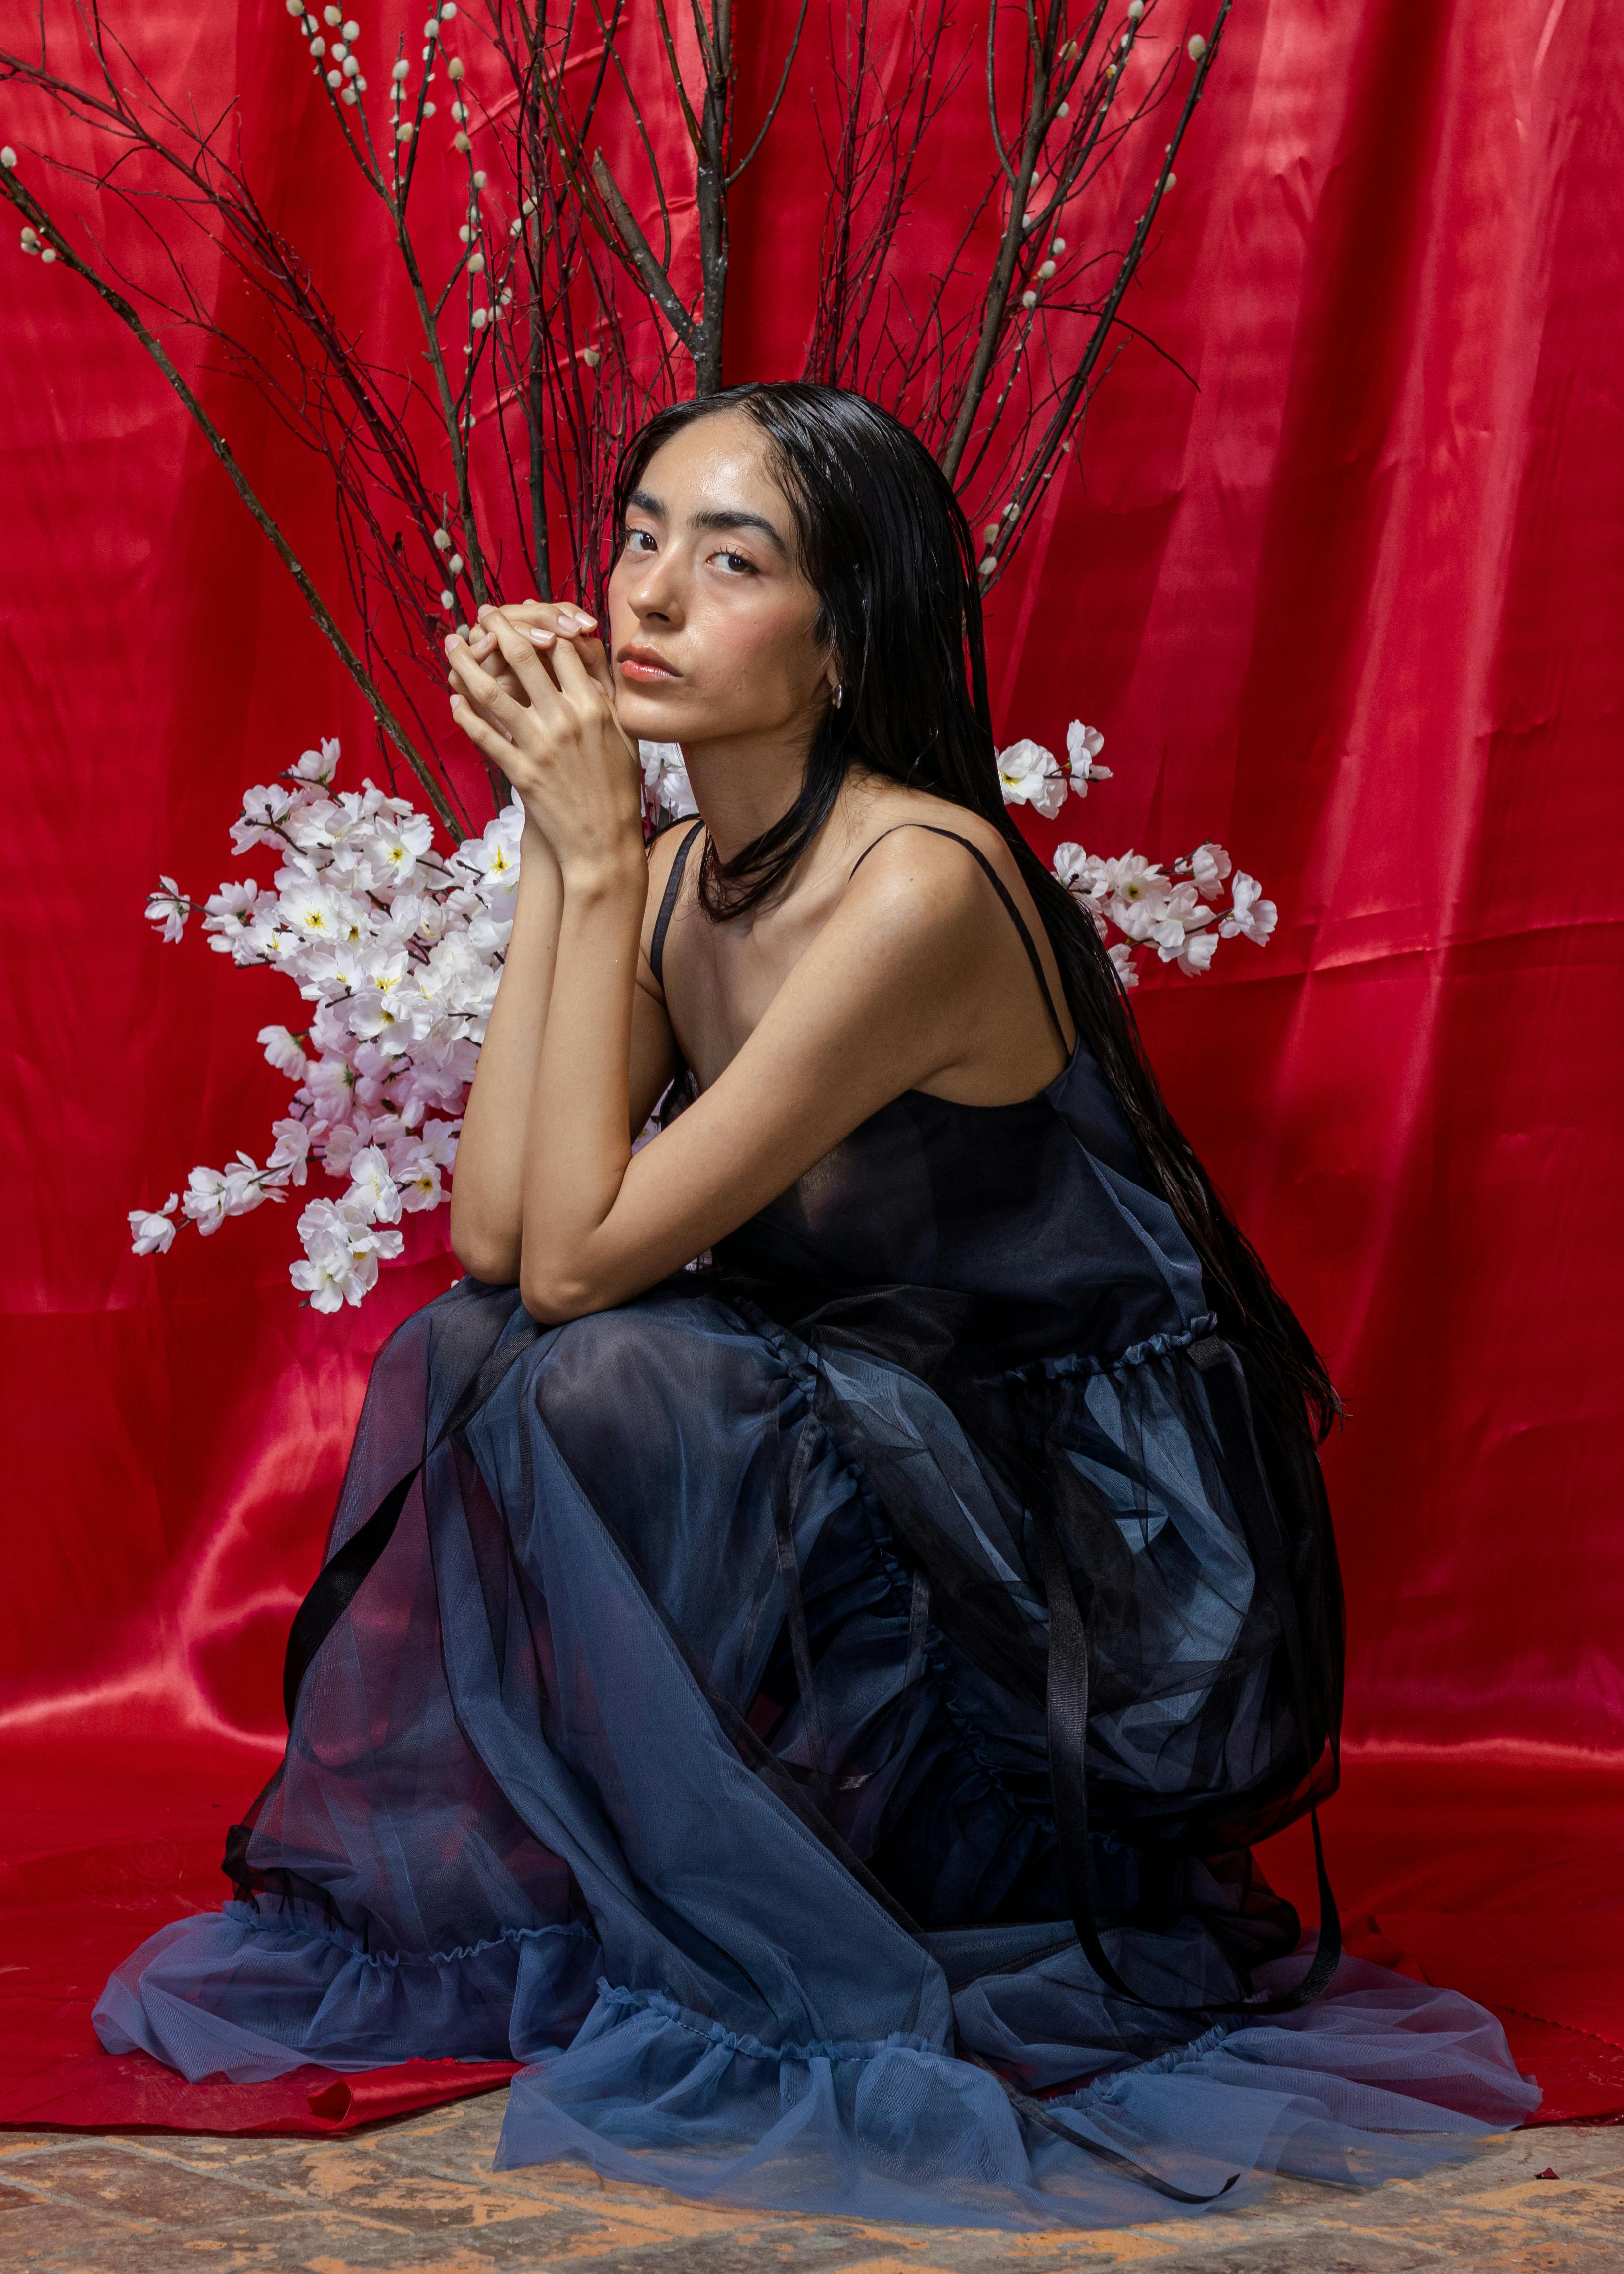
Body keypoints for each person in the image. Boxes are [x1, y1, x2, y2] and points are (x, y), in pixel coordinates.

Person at [95, 383, 1537, 2230]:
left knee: (599, 1371)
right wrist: (568, 849)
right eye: (638, 532)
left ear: (848, 640)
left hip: (1064, 1556)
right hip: (867, 1443)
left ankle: (824, 1877)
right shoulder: (695, 860)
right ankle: (673, 1855)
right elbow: (489, 1246)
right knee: (468, 1356)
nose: (652, 593)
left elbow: (581, 1267)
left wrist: (604, 852)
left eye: (734, 556)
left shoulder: (919, 881)